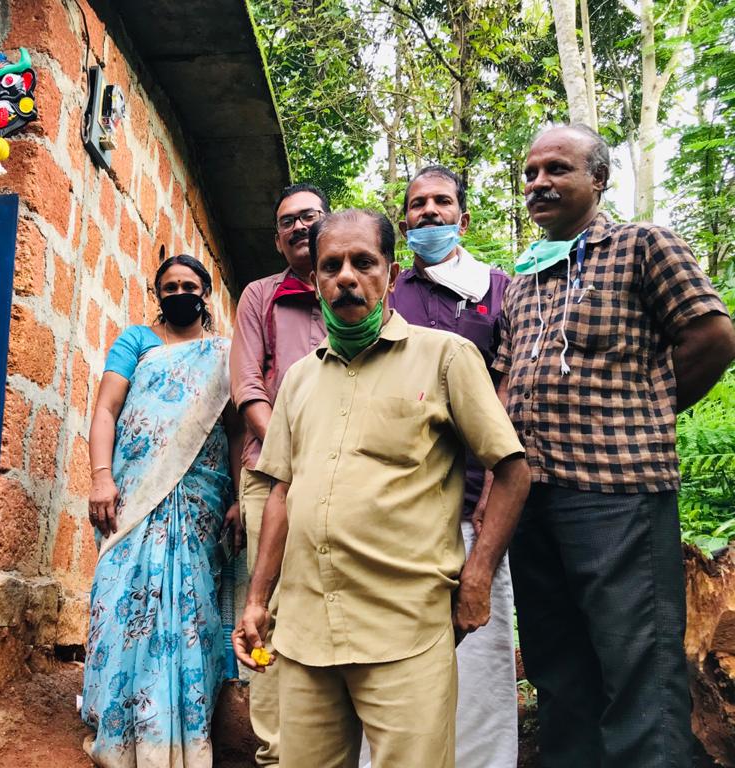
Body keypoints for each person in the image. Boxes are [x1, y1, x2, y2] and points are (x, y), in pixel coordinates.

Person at [233, 209, 530, 768]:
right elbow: (281, 494)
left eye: (363, 262)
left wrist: (478, 577)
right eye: (331, 266)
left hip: (405, 628)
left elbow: (513, 469)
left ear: (391, 275)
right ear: (315, 281)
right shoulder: (298, 380)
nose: (346, 276)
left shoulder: (445, 357)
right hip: (305, 632)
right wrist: (256, 601)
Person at [496, 124, 735, 767]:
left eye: (557, 169)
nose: (539, 182)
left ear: (598, 179)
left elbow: (713, 336)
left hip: (618, 494)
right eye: (530, 172)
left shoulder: (642, 246)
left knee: (639, 669)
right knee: (556, 666)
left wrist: (647, 410)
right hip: (534, 498)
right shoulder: (524, 277)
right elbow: (505, 375)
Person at [82, 254, 244, 767]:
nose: (179, 294)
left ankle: (179, 729)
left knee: (190, 606)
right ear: (158, 294)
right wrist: (101, 476)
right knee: (118, 595)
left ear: (205, 293)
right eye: (169, 287)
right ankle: (116, 722)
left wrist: (240, 496)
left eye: (188, 286)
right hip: (134, 494)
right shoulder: (136, 341)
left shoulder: (225, 353)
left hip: (199, 500)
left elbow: (236, 431)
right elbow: (106, 409)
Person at [387, 165, 517, 768]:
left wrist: (493, 486)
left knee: (480, 653)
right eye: (418, 204)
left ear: (462, 219)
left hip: (476, 505)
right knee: (393, 655)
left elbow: (511, 388)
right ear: (404, 222)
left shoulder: (500, 289)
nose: (430, 212)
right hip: (403, 506)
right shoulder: (389, 294)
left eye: (442, 202)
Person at [230, 182, 328, 766]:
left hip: (343, 474)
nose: (299, 227)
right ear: (277, 239)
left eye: (309, 216)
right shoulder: (260, 296)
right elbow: (247, 386)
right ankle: (275, 752)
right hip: (270, 471)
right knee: (265, 605)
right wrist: (291, 451)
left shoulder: (356, 289)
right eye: (287, 221)